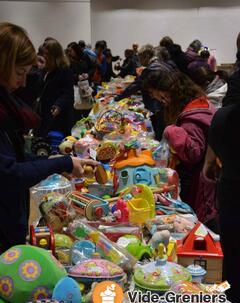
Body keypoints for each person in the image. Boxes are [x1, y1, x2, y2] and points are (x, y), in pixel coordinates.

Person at [0, 22, 99, 252]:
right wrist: (59, 163)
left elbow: (14, 157)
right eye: (20, 72)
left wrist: (52, 161)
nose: (23, 82)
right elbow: (9, 174)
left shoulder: (6, 105)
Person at [142, 62, 216, 223]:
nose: (158, 99)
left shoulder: (191, 116)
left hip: (201, 187)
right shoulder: (197, 102)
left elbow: (193, 153)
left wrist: (171, 131)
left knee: (200, 228)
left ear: (169, 91)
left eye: (160, 96)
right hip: (204, 184)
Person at [203, 103, 240, 303]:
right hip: (231, 193)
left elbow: (211, 157)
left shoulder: (223, 116)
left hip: (232, 192)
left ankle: (228, 299)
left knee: (231, 252)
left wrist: (209, 164)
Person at [115, 44, 165, 141]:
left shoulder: (151, 69)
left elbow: (135, 85)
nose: (140, 61)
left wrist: (118, 97)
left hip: (157, 106)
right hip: (161, 105)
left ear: (146, 56)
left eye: (140, 58)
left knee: (159, 133)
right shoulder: (160, 64)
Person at [35, 38, 74, 137]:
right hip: (42, 115)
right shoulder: (43, 70)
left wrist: (59, 105)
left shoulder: (65, 71)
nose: (44, 56)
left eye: (46, 54)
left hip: (58, 117)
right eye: (43, 53)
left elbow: (68, 94)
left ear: (55, 55)